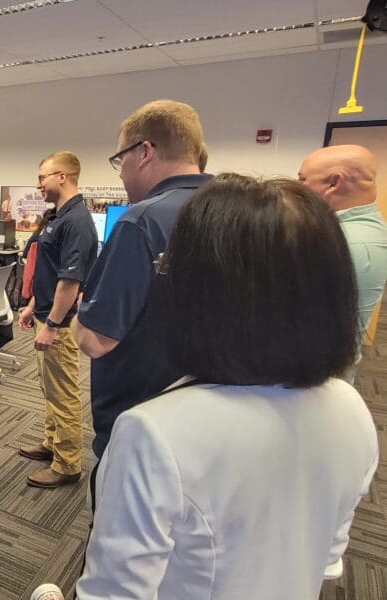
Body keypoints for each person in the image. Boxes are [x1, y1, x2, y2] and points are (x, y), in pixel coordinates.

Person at [76, 174, 377, 598]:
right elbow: (327, 561)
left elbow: (112, 594)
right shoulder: (351, 408)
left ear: (198, 289)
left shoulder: (156, 432)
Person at [73, 99, 211, 508]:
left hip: (143, 424)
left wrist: (82, 310)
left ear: (145, 151)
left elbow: (97, 339)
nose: (123, 173)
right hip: (215, 421)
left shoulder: (140, 221)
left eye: (121, 160)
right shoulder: (244, 206)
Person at [17, 151, 97, 488]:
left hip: (60, 325)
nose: (39, 184)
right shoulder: (58, 216)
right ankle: (52, 444)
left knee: (64, 392)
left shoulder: (76, 220)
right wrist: (32, 304)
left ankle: (67, 464)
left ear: (62, 176)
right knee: (49, 387)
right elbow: (49, 270)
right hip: (46, 314)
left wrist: (51, 325)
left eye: (43, 177)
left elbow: (70, 282)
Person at [298, 144, 387, 381]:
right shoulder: (358, 228)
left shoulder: (347, 245)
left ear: (334, 183)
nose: (297, 188)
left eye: (302, 179)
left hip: (313, 381)